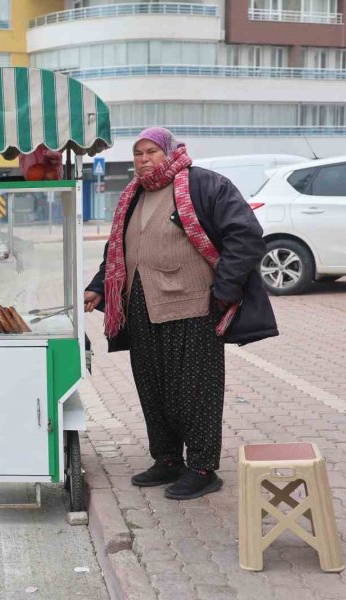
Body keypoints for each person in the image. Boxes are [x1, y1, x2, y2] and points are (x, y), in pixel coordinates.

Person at [84, 128, 278, 500]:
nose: (143, 159)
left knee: (196, 390)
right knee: (153, 388)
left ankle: (203, 469)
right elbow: (118, 248)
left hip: (193, 306)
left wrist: (225, 289)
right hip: (141, 309)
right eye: (138, 153)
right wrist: (98, 285)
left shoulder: (205, 185)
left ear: (170, 152)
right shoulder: (133, 196)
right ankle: (168, 460)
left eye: (151, 151)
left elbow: (246, 235)